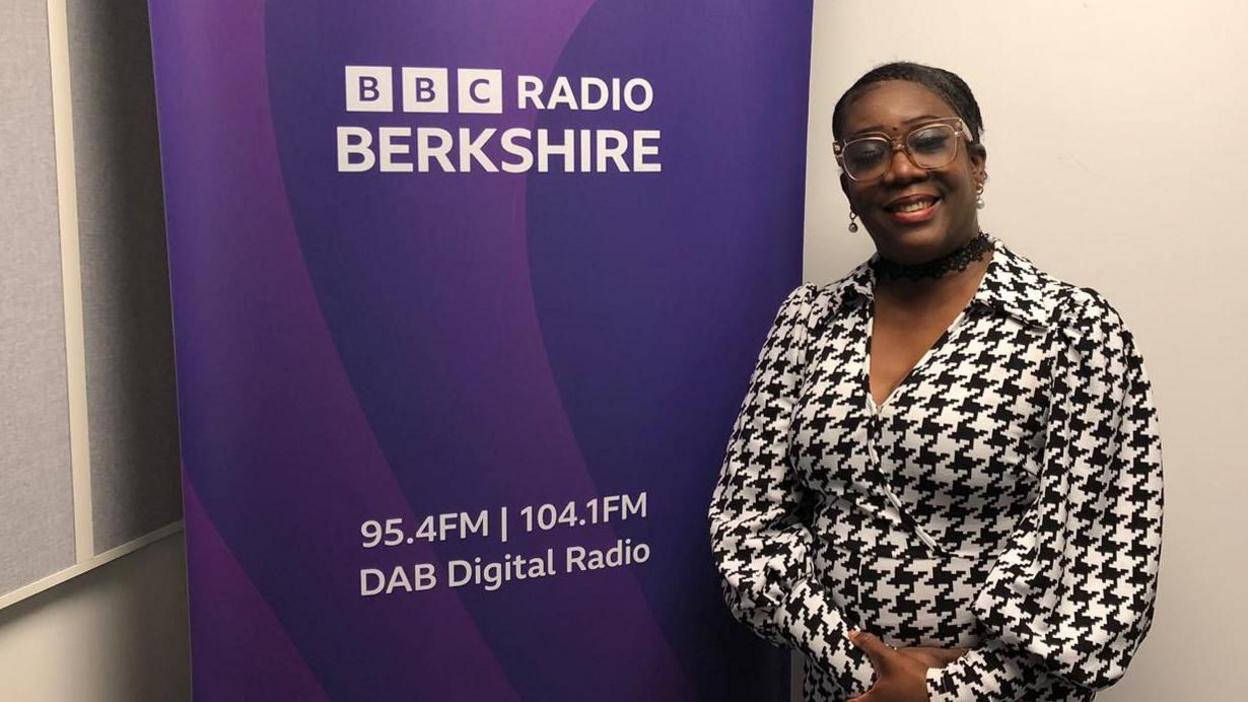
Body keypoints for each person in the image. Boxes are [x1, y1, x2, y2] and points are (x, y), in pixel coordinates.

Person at [707, 62, 1163, 702]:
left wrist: (949, 690)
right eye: (868, 154)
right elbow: (747, 521)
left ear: (976, 162)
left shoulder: (1073, 329)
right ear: (848, 186)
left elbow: (1105, 564)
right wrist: (862, 665)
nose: (900, 169)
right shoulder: (806, 322)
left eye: (928, 140)